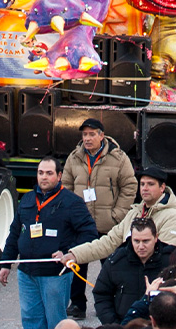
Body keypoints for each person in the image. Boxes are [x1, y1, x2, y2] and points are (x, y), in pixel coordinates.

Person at [0, 156, 97, 329]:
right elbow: (15, 232)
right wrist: (6, 263)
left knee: (56, 322)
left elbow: (89, 233)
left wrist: (69, 252)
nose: (44, 177)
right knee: (31, 320)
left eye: (49, 173)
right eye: (40, 173)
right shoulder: (28, 200)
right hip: (27, 273)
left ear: (59, 176)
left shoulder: (72, 202)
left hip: (55, 274)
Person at [62, 115, 137, 319]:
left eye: (92, 134)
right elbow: (66, 187)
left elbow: (130, 186)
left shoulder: (118, 157)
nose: (87, 138)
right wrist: (69, 214)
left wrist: (118, 215)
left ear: (101, 135)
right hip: (80, 225)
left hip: (108, 225)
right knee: (77, 264)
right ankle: (77, 304)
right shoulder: (74, 157)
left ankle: (113, 302)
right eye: (84, 134)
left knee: (112, 266)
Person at [63, 164, 176, 273]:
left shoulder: (173, 217)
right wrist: (75, 254)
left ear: (162, 187)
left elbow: (164, 255)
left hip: (154, 280)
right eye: (142, 184)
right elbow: (109, 242)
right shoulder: (134, 213)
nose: (145, 188)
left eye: (150, 184)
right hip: (129, 277)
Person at [93, 216, 174, 324]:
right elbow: (101, 295)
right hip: (125, 324)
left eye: (146, 241)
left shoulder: (171, 260)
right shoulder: (115, 261)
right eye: (136, 241)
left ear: (156, 238)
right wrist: (114, 325)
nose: (141, 246)